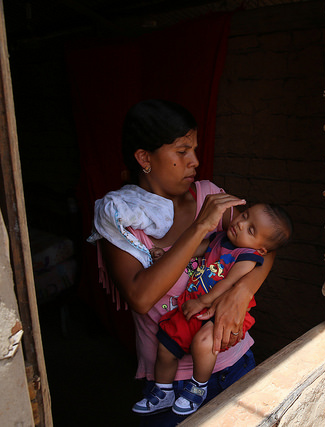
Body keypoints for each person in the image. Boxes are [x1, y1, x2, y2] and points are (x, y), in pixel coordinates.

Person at [91, 99, 276, 425]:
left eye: (194, 149)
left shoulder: (207, 194)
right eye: (182, 151)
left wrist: (241, 293)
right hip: (170, 384)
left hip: (234, 364)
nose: (195, 161)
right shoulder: (119, 220)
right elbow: (140, 296)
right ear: (144, 158)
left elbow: (266, 247)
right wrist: (201, 226)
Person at [132, 203, 292, 415]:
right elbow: (194, 250)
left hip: (220, 307)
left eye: (251, 229)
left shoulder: (247, 256)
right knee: (166, 345)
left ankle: (198, 387)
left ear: (261, 249)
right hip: (196, 303)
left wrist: (203, 301)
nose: (240, 224)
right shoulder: (220, 239)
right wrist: (168, 255)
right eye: (244, 216)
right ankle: (163, 391)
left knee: (204, 343)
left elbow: (228, 284)